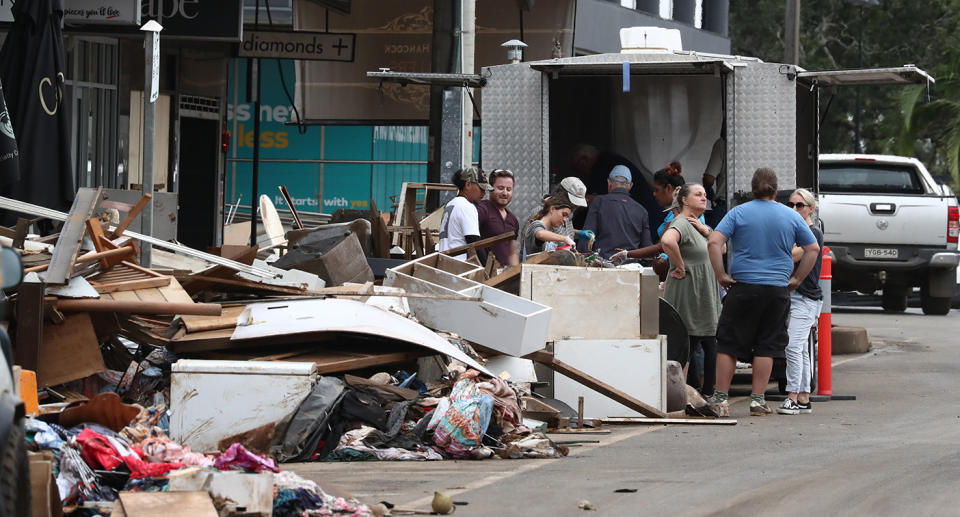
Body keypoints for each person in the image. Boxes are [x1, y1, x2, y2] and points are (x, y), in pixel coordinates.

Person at [706, 168, 820, 417]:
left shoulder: (738, 212)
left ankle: (721, 398)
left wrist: (720, 275)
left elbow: (714, 242)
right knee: (767, 345)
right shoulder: (791, 217)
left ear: (752, 189)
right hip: (777, 290)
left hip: (743, 287)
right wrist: (797, 279)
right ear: (777, 190)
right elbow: (812, 248)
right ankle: (758, 400)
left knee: (728, 343)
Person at [659, 183, 720, 397]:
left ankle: (692, 394)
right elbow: (667, 241)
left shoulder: (697, 224)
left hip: (703, 293)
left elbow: (721, 248)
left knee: (698, 343)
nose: (704, 197)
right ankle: (677, 396)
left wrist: (707, 231)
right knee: (685, 344)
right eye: (698, 194)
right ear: (684, 200)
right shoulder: (681, 223)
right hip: (688, 292)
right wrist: (680, 265)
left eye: (705, 194)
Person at [777, 188, 825, 415]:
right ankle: (804, 397)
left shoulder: (812, 233)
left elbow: (792, 255)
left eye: (799, 205)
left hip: (805, 298)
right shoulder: (796, 231)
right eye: (791, 205)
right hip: (798, 297)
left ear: (810, 209)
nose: (794, 209)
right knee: (802, 348)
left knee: (793, 347)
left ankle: (792, 397)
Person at [569, 144, 660, 228]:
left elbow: (592, 199)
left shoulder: (601, 166)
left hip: (644, 217)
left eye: (577, 167)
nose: (580, 172)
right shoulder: (609, 160)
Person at [583, 165, 653, 259]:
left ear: (609, 182)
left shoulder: (599, 202)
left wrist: (582, 258)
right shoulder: (642, 211)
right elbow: (647, 247)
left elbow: (587, 236)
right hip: (630, 267)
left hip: (603, 265)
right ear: (630, 185)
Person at [438, 167, 492, 260]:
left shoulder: (451, 204)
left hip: (444, 264)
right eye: (481, 189)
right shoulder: (467, 207)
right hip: (458, 268)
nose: (483, 193)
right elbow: (475, 243)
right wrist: (487, 270)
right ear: (468, 184)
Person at [476, 169, 520, 266]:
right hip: (484, 275)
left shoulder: (513, 219)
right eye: (500, 188)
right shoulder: (482, 210)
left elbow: (512, 253)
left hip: (504, 277)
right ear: (490, 188)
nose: (505, 193)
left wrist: (516, 274)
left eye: (509, 189)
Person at [521, 194, 574, 258]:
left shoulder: (551, 231)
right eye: (563, 214)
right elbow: (540, 234)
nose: (565, 220)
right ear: (552, 209)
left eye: (567, 217)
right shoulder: (535, 225)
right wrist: (565, 239)